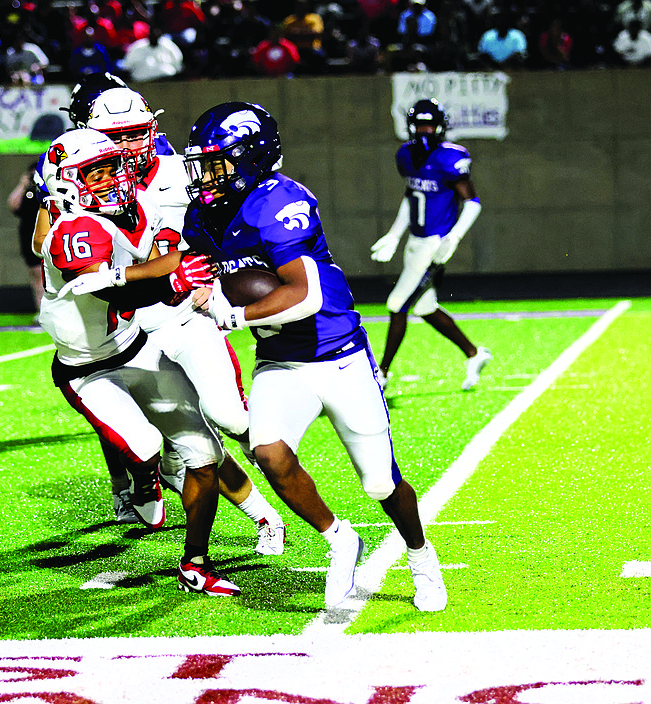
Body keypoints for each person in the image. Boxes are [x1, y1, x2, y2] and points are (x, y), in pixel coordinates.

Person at [182, 101, 447, 612]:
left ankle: (420, 555)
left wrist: (232, 314)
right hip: (281, 359)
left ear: (252, 156)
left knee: (380, 482)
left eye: (218, 162)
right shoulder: (206, 214)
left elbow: (305, 296)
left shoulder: (279, 200)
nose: (208, 175)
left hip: (338, 352)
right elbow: (185, 260)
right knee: (268, 452)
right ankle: (340, 537)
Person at [74, 87, 287, 555]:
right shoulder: (78, 186)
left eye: (135, 133)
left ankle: (290, 490)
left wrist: (217, 267)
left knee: (230, 416)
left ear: (153, 127)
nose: (127, 145)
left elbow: (230, 223)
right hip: (127, 332)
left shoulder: (183, 172)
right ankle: (263, 517)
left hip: (186, 316)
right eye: (115, 136)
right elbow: (58, 253)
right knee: (190, 443)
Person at [36, 127, 240, 596]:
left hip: (135, 347)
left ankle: (195, 564)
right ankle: (145, 478)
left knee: (204, 452)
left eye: (112, 168)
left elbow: (160, 257)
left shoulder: (127, 210)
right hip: (86, 370)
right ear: (66, 181)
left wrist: (187, 260)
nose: (110, 179)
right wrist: (171, 281)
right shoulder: (71, 228)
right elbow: (104, 285)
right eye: (95, 171)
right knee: (146, 443)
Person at [370, 98, 492, 392]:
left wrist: (454, 236)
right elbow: (412, 196)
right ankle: (474, 354)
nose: (425, 131)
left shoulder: (451, 158)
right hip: (415, 241)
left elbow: (473, 203)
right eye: (420, 125)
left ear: (440, 126)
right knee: (424, 307)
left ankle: (382, 374)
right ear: (411, 127)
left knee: (397, 304)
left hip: (435, 244)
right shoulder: (406, 155)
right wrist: (394, 235)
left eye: (430, 125)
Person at [7, 161, 44, 316]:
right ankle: (42, 312)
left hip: (47, 239)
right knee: (36, 276)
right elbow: (12, 205)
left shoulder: (47, 193)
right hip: (29, 239)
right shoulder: (27, 193)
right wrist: (23, 184)